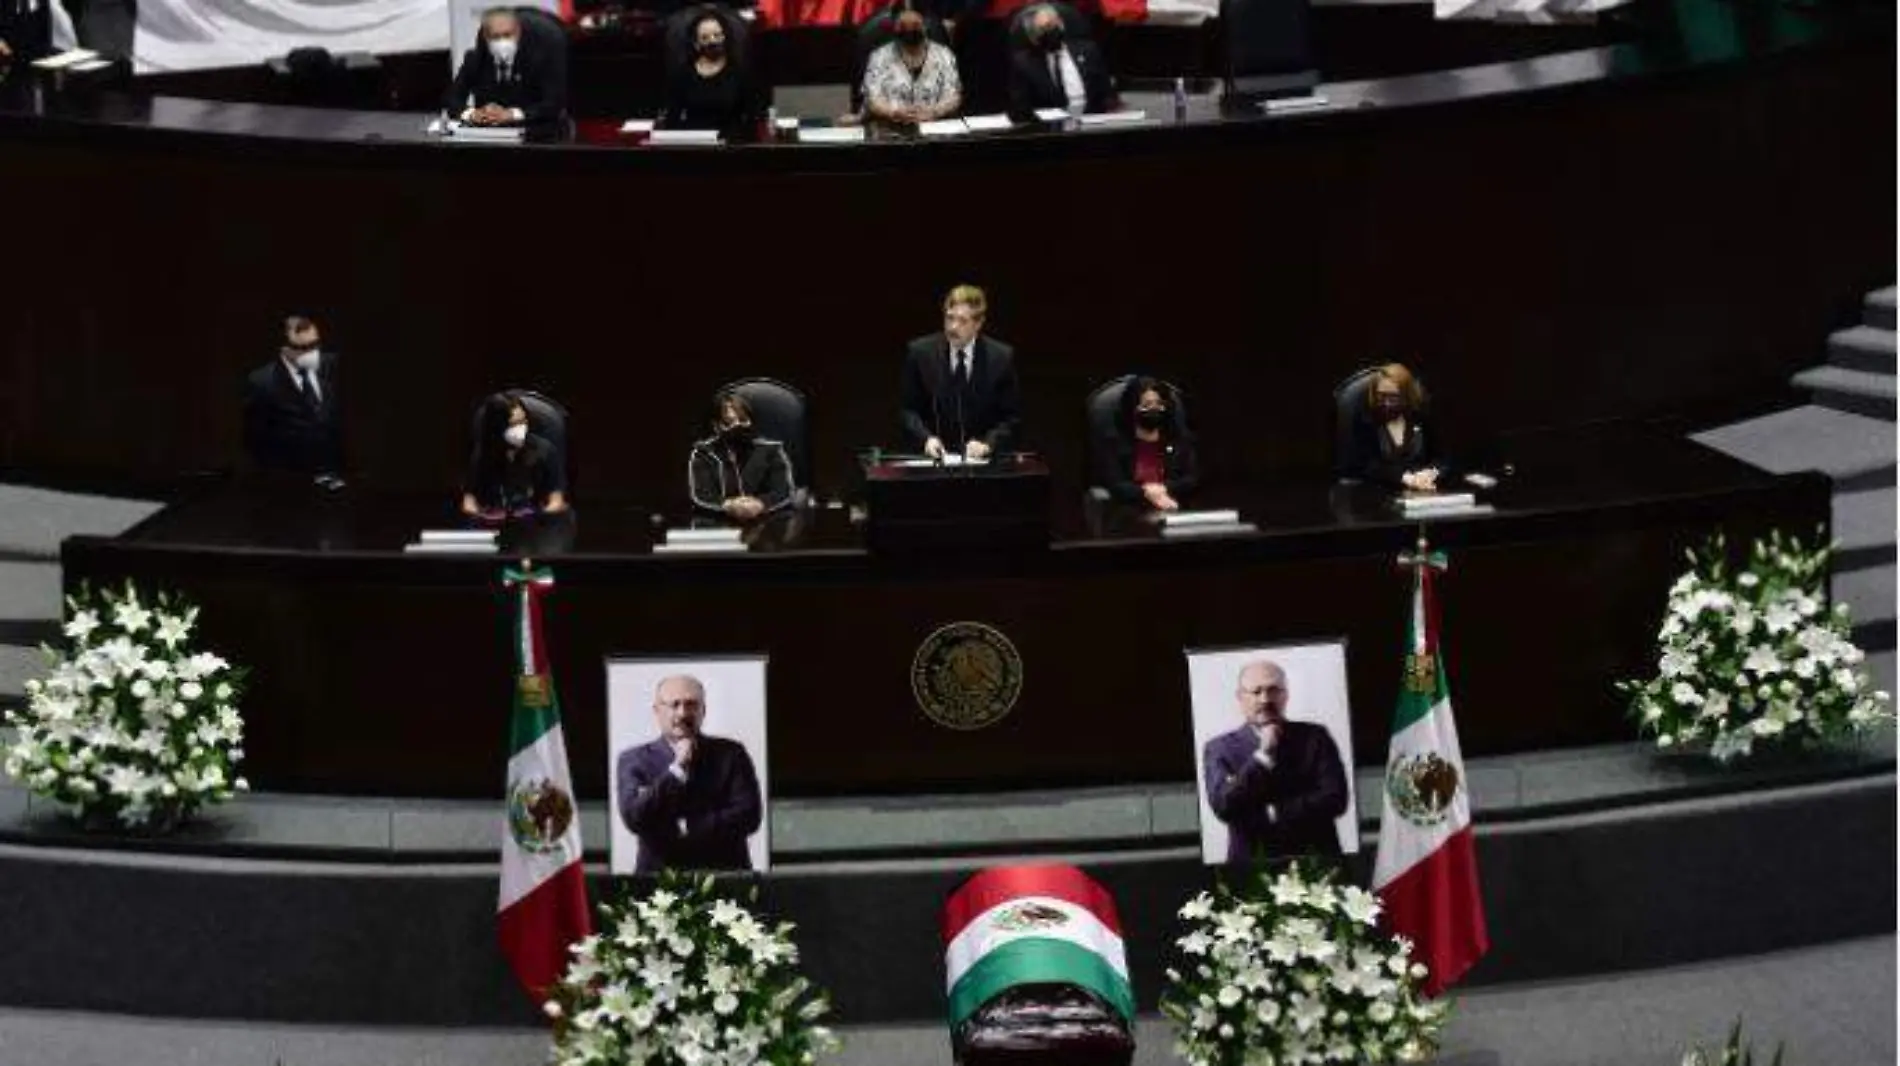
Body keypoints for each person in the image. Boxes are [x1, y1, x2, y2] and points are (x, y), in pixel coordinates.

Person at [1203, 659, 1348, 864]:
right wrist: (1262, 757)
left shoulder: (1316, 737)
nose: (1265, 699)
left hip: (1316, 862)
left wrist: (1274, 812)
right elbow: (1225, 805)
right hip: (1251, 868)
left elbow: (1335, 798)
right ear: (1240, 698)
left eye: (1273, 690)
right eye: (1256, 691)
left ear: (1285, 695)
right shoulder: (1219, 748)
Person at [615, 674, 764, 873]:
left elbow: (749, 815)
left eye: (691, 704)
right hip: (658, 884)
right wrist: (677, 769)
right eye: (674, 704)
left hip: (726, 880)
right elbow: (636, 817)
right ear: (657, 711)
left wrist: (687, 826)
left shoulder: (732, 754)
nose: (683, 713)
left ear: (703, 710)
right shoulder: (634, 760)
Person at [900, 284, 1021, 460]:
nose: (953, 327)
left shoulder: (1000, 358)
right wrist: (926, 439)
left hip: (982, 464)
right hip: (933, 461)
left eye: (962, 321)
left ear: (978, 323)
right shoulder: (921, 354)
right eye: (949, 318)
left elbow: (1012, 419)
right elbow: (908, 411)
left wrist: (988, 444)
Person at [241, 315, 343, 480]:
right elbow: (255, 440)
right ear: (284, 349)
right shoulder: (262, 382)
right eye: (303, 347)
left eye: (315, 344)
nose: (312, 352)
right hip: (292, 483)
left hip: (337, 476)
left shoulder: (332, 366)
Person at [445, 7, 567, 128]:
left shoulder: (539, 60)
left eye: (507, 35)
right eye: (496, 37)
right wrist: (472, 114)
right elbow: (452, 99)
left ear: (518, 33)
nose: (502, 42)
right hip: (489, 135)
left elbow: (552, 104)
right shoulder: (475, 59)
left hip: (533, 134)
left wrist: (512, 114)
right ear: (486, 36)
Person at [1094, 375, 1198, 511]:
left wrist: (1164, 488)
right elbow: (1116, 485)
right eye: (1146, 405)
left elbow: (1191, 479)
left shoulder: (1179, 440)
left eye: (1159, 404)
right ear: (1132, 407)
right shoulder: (1114, 443)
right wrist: (1147, 492)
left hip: (1175, 509)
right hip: (1129, 512)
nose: (1153, 409)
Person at [689, 391, 798, 520]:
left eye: (743, 420)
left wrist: (760, 504)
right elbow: (701, 495)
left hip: (768, 521)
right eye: (729, 423)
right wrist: (729, 505)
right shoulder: (704, 452)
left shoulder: (771, 450)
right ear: (716, 426)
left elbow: (783, 491)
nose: (737, 427)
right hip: (719, 523)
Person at [460, 391, 568, 519]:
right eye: (513, 424)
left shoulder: (545, 451)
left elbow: (556, 501)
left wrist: (537, 518)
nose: (520, 429)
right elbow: (468, 502)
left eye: (523, 421)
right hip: (492, 522)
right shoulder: (483, 454)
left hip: (533, 525)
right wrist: (482, 516)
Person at [1338, 362, 1445, 492]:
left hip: (1422, 490)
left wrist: (1431, 473)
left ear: (1406, 395)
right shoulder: (1366, 420)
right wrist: (1404, 478)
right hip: (1376, 494)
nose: (1386, 403)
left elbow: (1443, 459)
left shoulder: (1421, 417)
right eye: (1381, 396)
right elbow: (1365, 465)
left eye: (1393, 397)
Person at [661, 8, 761, 139]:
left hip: (729, 146)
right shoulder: (683, 74)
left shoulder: (740, 73)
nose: (713, 41)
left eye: (717, 35)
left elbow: (751, 120)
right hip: (693, 144)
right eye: (705, 37)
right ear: (696, 43)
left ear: (725, 37)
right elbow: (672, 120)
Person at [861, 3, 961, 129]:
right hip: (891, 129)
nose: (909, 31)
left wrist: (933, 112)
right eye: (902, 26)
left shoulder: (944, 55)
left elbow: (953, 97)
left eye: (915, 25)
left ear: (925, 26)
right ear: (894, 28)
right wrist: (894, 112)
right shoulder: (879, 57)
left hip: (934, 128)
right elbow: (872, 99)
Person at [1006, 4, 1111, 121]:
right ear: (1032, 37)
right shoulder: (1025, 64)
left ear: (1060, 23)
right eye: (1040, 30)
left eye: (1050, 26)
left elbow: (1107, 94)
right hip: (1051, 128)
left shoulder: (1088, 51)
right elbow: (1020, 109)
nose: (1048, 32)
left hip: (1092, 122)